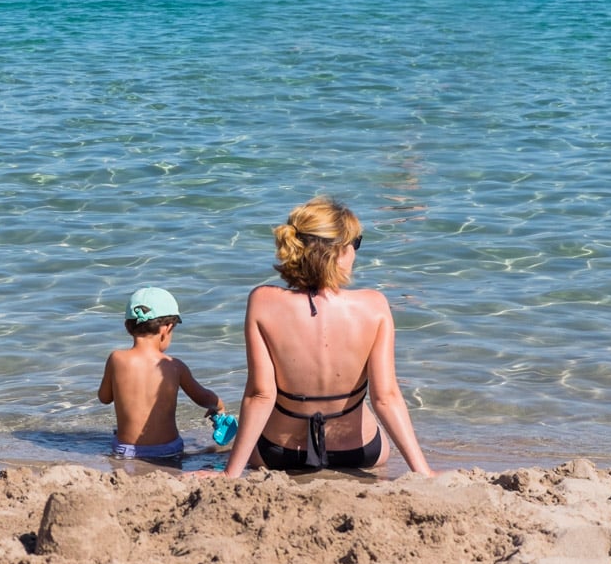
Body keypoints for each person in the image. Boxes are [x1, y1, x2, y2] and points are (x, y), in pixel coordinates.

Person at [221, 197, 433, 477]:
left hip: (279, 452)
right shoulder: (374, 305)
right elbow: (387, 397)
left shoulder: (262, 301)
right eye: (355, 244)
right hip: (361, 450)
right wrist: (424, 473)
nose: (356, 253)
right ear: (338, 252)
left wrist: (229, 474)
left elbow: (261, 394)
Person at [98, 287, 224, 461]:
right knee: (211, 450)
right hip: (168, 449)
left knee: (118, 434)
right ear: (167, 329)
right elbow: (202, 397)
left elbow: (104, 398)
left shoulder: (116, 359)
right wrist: (219, 406)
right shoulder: (175, 366)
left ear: (128, 327)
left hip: (125, 450)